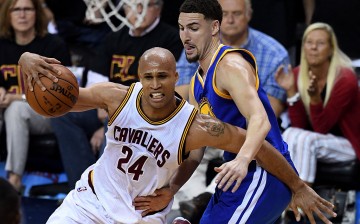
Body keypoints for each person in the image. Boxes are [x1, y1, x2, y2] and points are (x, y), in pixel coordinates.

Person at [19, 47, 335, 224]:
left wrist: (297, 185)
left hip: (143, 213)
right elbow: (61, 103)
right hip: (90, 202)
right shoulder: (116, 97)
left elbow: (259, 145)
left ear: (174, 77)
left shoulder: (195, 125)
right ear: (138, 77)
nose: (155, 85)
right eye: (148, 77)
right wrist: (26, 61)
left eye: (162, 77)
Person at [174, 0, 331, 223]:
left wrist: (243, 159)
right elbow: (196, 152)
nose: (185, 36)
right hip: (235, 174)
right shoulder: (195, 83)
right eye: (181, 28)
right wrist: (170, 188)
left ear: (214, 28)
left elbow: (260, 119)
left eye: (194, 28)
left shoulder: (230, 66)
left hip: (263, 171)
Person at [49, 0, 184, 190]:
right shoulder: (114, 38)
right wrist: (102, 104)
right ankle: (83, 187)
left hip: (144, 113)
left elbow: (162, 90)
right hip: (106, 107)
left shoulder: (169, 38)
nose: (137, 12)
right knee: (65, 115)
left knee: (117, 113)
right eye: (131, 6)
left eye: (143, 6)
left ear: (158, 9)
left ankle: (108, 189)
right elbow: (96, 80)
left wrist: (109, 110)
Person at [275, 22, 360, 185]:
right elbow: (299, 126)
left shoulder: (345, 79)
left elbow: (322, 127)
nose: (313, 47)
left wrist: (314, 99)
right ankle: (288, 200)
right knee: (290, 133)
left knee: (306, 139)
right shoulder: (298, 73)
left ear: (331, 49)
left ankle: (301, 201)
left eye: (320, 43)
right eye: (309, 42)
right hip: (315, 141)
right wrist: (291, 91)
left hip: (347, 145)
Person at [0, 0, 71, 191]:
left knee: (16, 109)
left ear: (36, 13)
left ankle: (14, 181)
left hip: (46, 112)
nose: (22, 14)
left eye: (27, 9)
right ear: (7, 14)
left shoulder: (53, 45)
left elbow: (61, 94)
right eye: (16, 9)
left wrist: (16, 97)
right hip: (7, 110)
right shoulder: (1, 45)